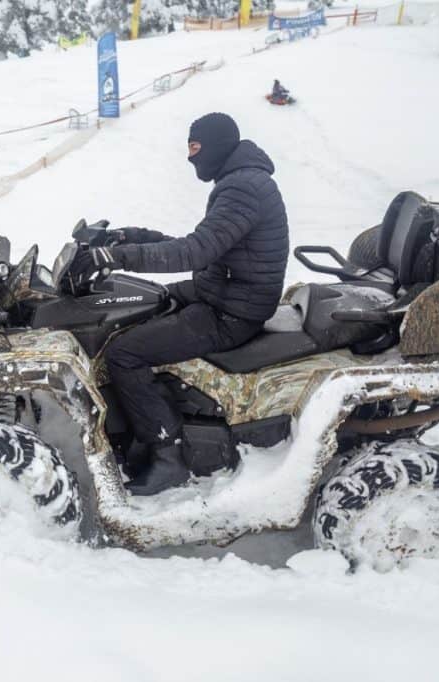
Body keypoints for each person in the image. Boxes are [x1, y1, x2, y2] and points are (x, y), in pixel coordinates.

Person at [68, 113, 289, 496]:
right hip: (220, 290)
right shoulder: (240, 180)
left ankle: (166, 453)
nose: (190, 158)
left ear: (216, 145)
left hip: (232, 311)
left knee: (125, 353)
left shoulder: (243, 189)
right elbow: (205, 244)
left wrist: (115, 258)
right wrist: (127, 237)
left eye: (195, 148)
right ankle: (135, 422)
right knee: (141, 306)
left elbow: (195, 251)